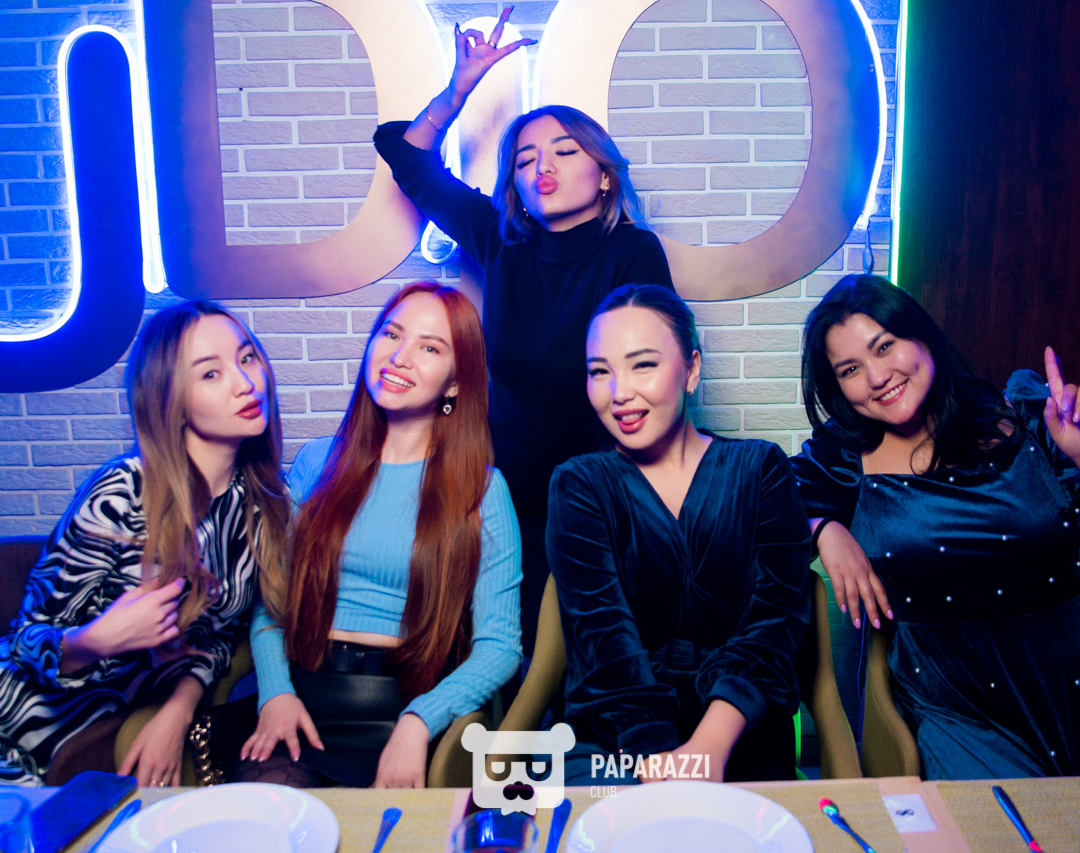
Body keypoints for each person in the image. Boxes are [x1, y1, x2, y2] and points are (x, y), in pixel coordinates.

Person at [793, 274, 1080, 780]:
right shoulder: (843, 458)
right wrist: (824, 528)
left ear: (922, 335)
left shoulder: (1028, 419)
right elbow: (766, 505)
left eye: (884, 346)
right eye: (850, 369)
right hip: (959, 710)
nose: (876, 376)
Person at [373, 8, 672, 655]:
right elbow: (408, 159)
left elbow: (652, 382)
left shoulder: (633, 252)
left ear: (604, 175)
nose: (544, 167)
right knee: (510, 661)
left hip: (605, 505)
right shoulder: (502, 242)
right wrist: (458, 90)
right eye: (526, 159)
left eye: (565, 151)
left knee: (604, 671)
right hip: (507, 506)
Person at [0, 301, 289, 786]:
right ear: (172, 399)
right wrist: (98, 639)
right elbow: (26, 639)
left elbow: (218, 638)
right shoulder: (124, 490)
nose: (245, 383)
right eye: (210, 374)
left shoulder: (259, 505)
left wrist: (178, 710)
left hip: (88, 741)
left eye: (247, 358)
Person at [238, 282, 521, 789]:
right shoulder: (316, 462)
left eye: (430, 348)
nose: (400, 356)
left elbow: (500, 646)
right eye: (391, 334)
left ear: (455, 384)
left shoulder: (482, 489)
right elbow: (271, 600)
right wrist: (275, 693)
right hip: (302, 699)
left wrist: (420, 722)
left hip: (408, 706)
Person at [546, 285, 810, 785]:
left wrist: (709, 746)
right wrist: (655, 758)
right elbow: (603, 638)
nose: (619, 392)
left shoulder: (761, 469)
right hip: (617, 735)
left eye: (642, 365)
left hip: (741, 731)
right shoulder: (579, 484)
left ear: (691, 370)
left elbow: (777, 619)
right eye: (599, 371)